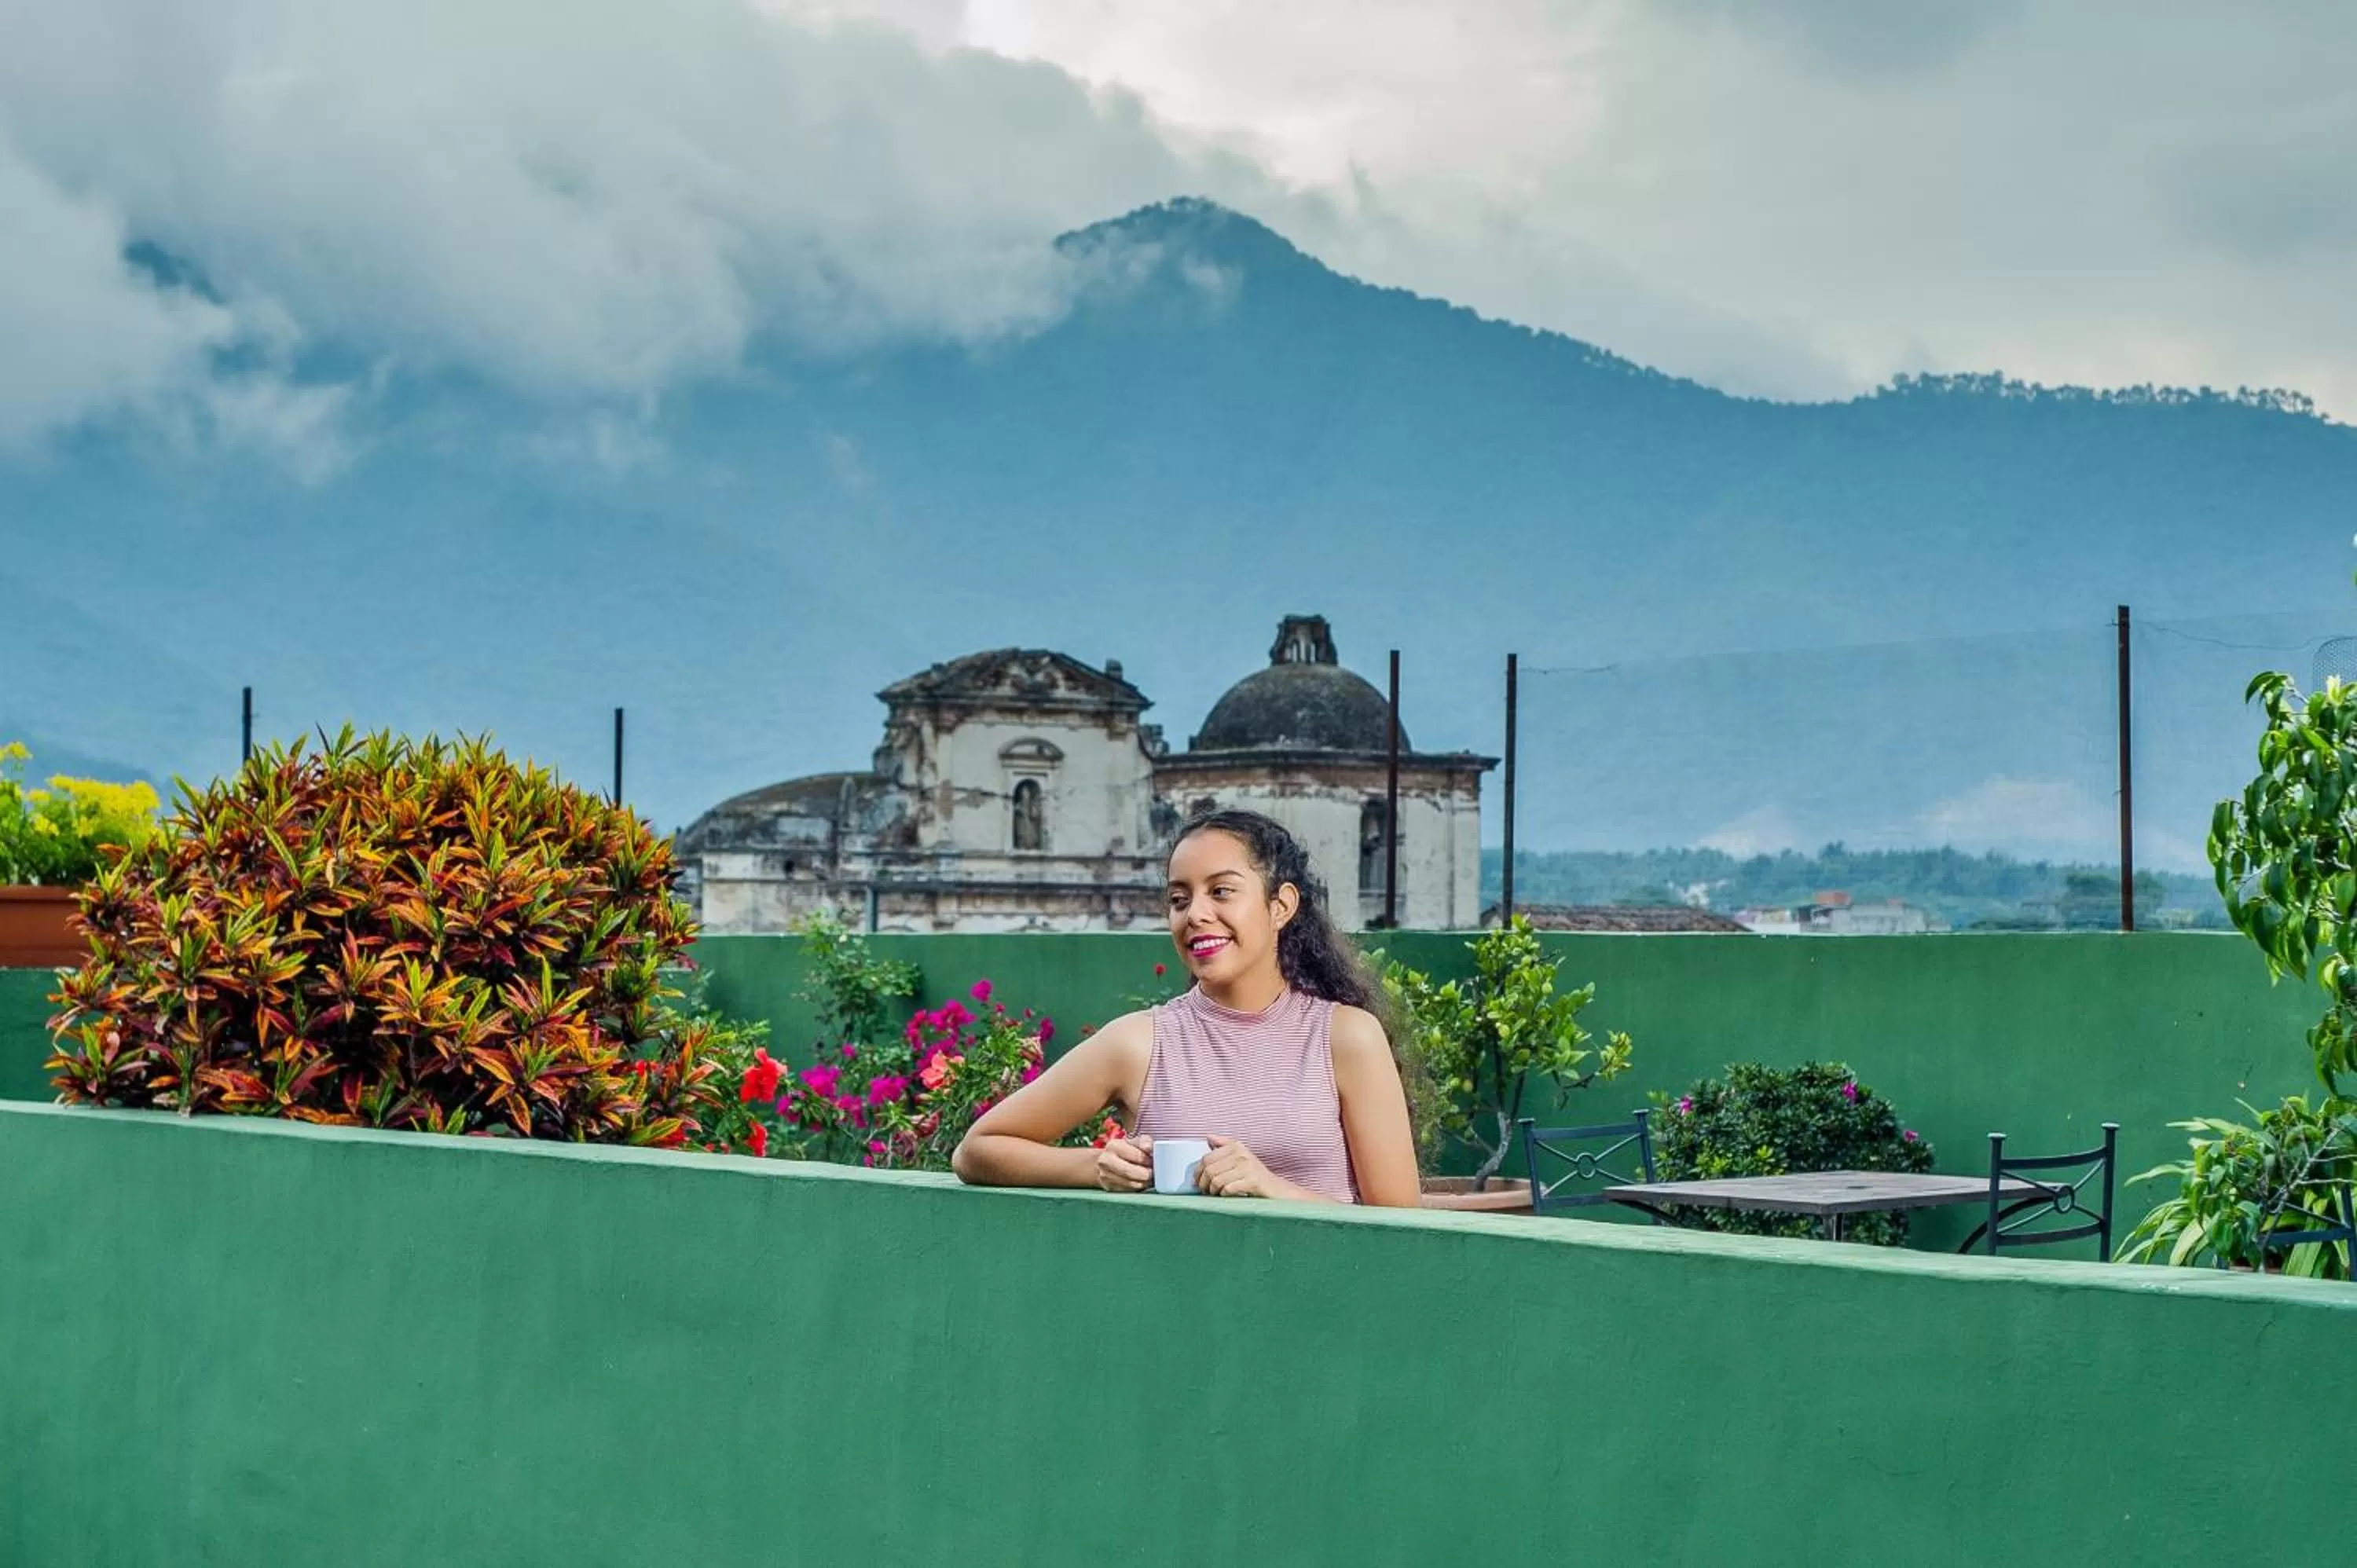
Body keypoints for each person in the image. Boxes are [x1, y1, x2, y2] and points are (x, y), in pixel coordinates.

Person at [951, 808, 1421, 1207]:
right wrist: (1097, 1166)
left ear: (1281, 906)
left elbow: (1401, 1220)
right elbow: (977, 1150)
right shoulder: (1140, 1043)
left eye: (1221, 891)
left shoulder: (1345, 1037)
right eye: (1179, 899)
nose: (1195, 914)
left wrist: (1271, 1188)